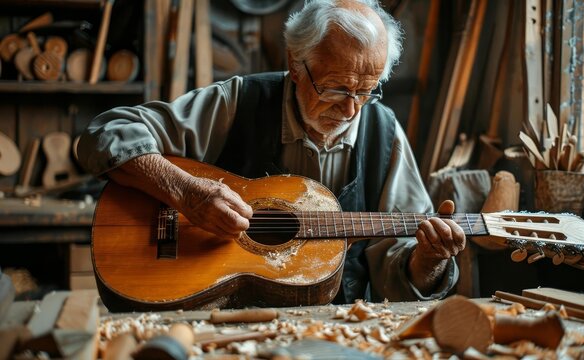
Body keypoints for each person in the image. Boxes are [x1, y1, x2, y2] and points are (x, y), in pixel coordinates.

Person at [77, 0, 466, 305]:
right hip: (220, 319)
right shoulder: (238, 103)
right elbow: (104, 132)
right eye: (335, 88)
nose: (351, 110)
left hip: (338, 327)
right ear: (296, 66)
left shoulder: (383, 131)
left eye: (366, 91)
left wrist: (428, 261)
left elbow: (395, 273)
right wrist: (185, 191)